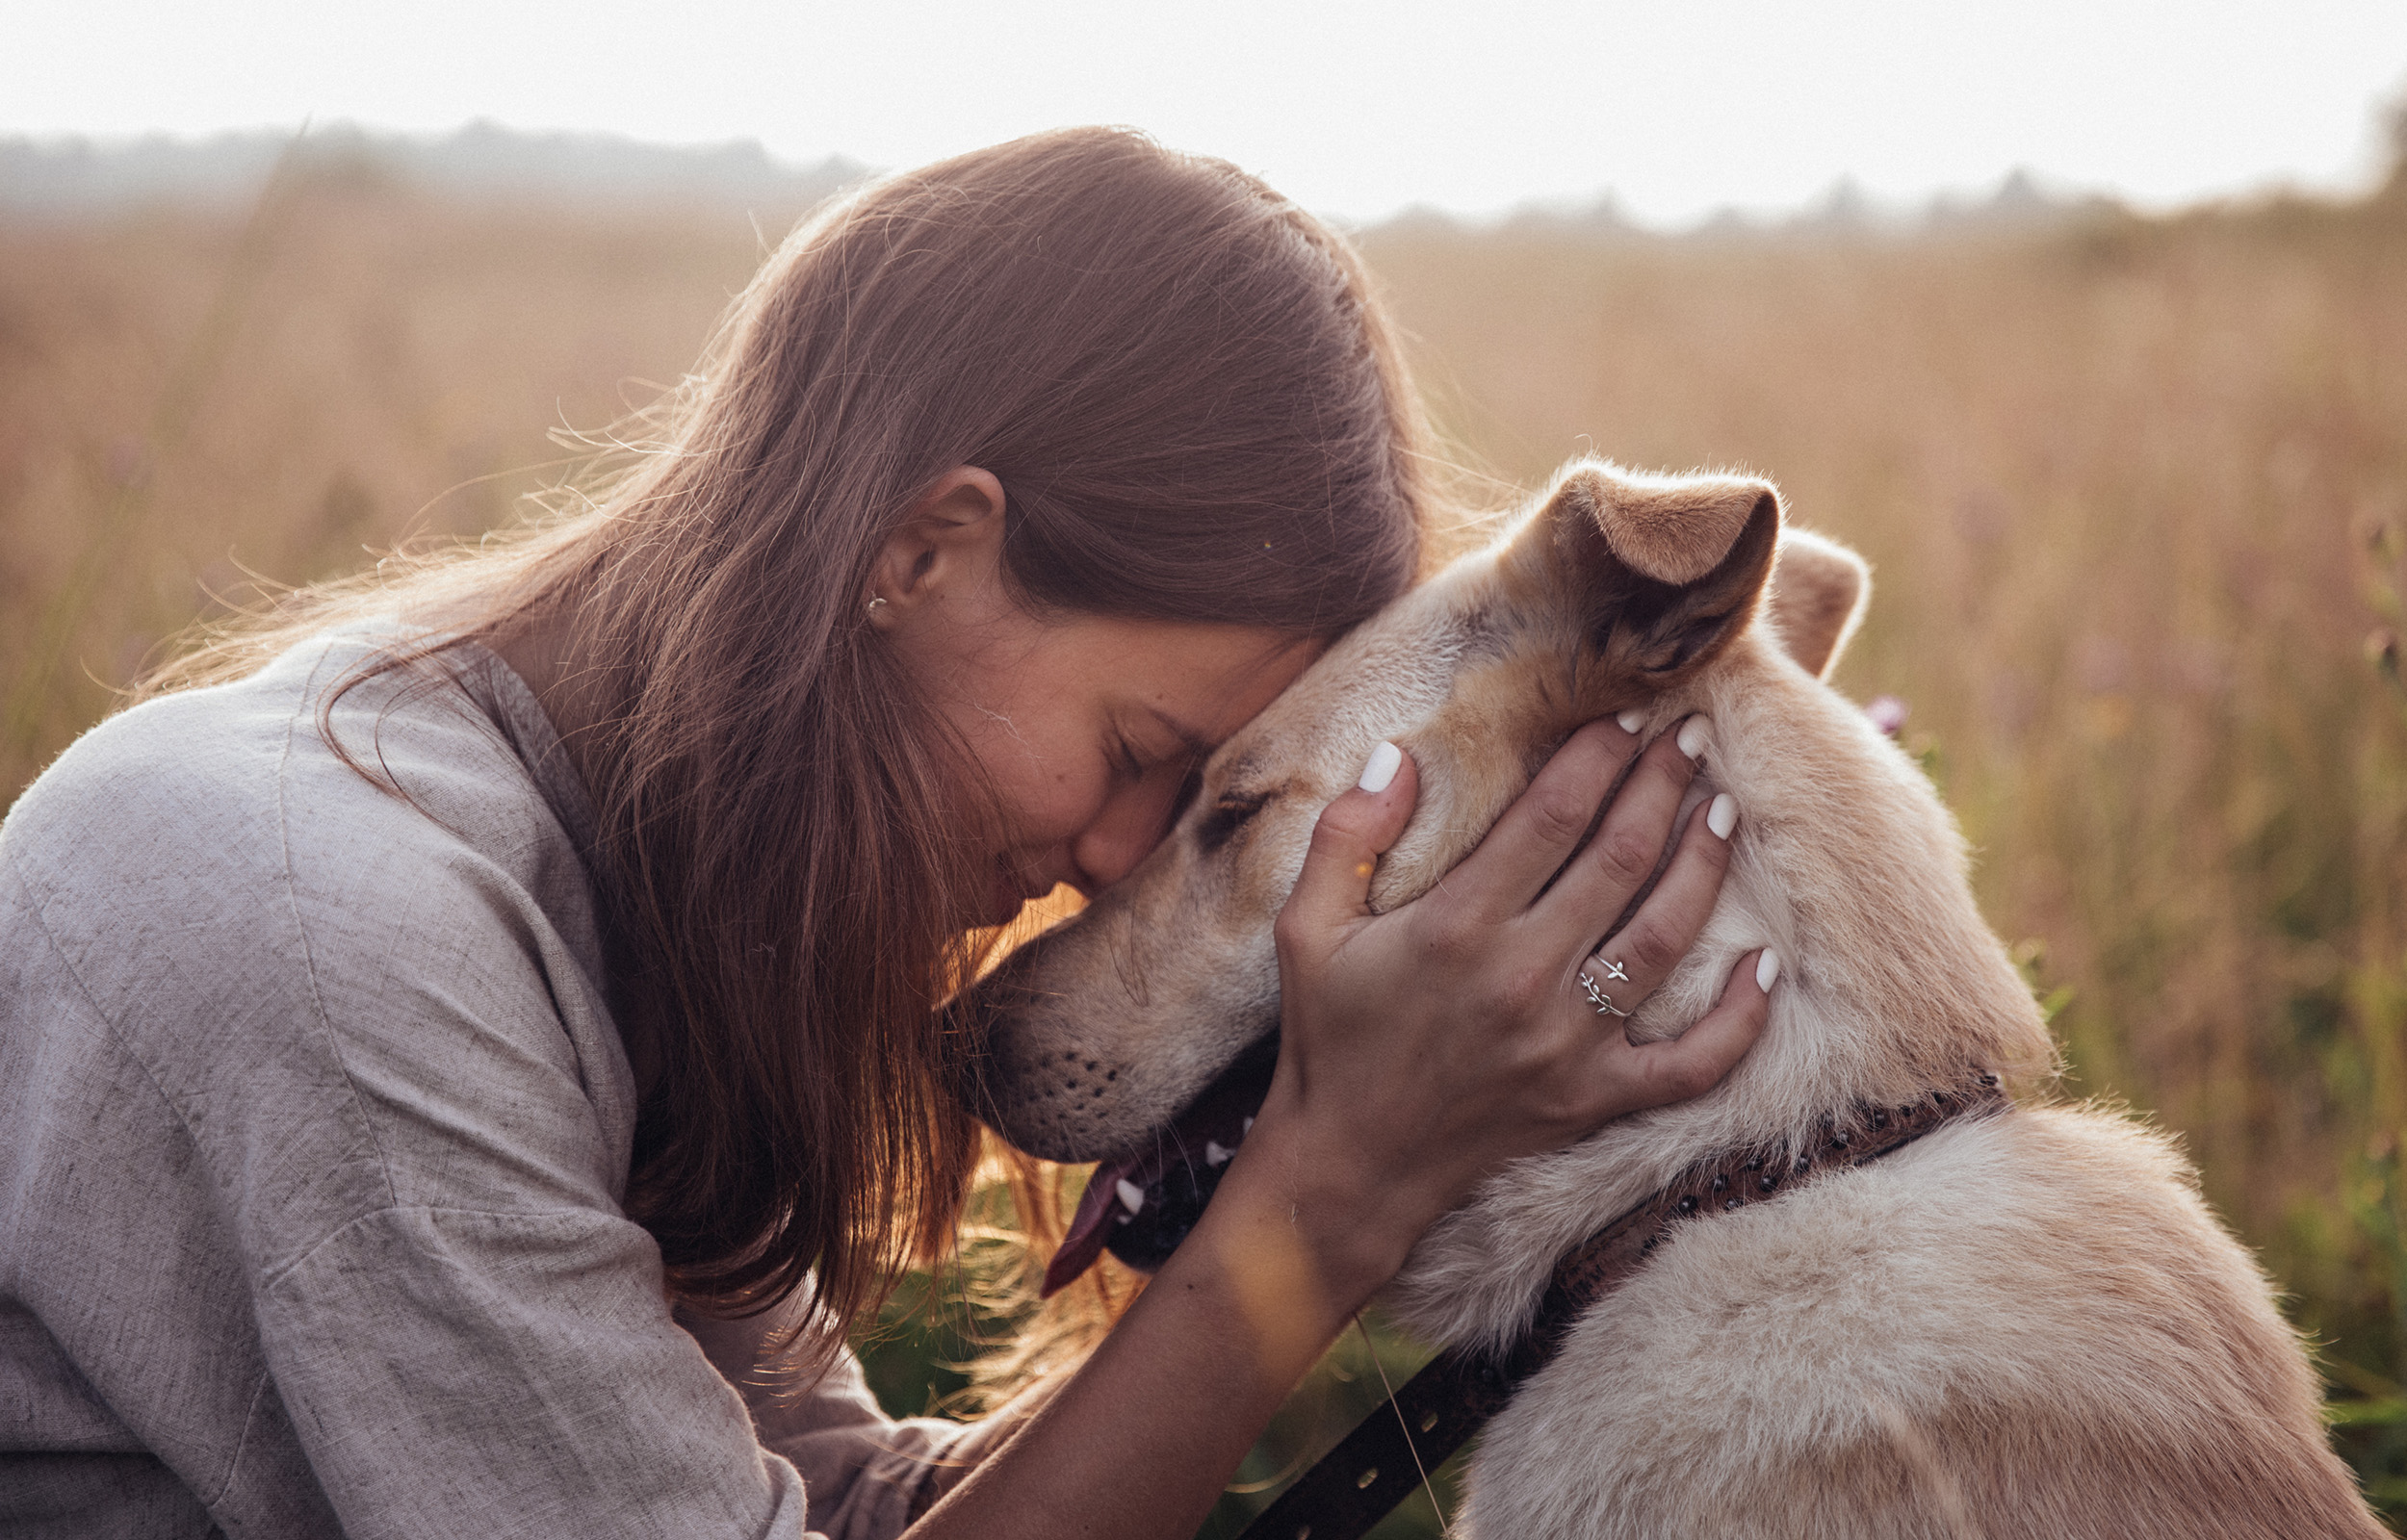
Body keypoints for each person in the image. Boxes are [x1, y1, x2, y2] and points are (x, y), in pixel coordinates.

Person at [0, 128, 1773, 1540]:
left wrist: (1420, 1169)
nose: (1114, 858)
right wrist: (1331, 1192)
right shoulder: (336, 933)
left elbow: (840, 1519)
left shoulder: (604, 880)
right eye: (1143, 750)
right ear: (924, 550)